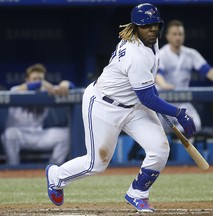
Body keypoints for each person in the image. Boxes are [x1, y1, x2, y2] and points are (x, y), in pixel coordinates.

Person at [45, 3, 196, 213]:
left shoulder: (151, 41)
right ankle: (56, 177)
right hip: (103, 105)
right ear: (135, 27)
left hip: (134, 105)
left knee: (160, 149)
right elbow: (147, 98)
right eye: (146, 26)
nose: (152, 29)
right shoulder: (135, 54)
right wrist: (179, 113)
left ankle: (138, 193)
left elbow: (148, 88)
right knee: (96, 164)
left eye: (155, 25)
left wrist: (164, 104)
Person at [156, 19, 213, 134]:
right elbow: (157, 74)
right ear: (167, 36)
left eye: (180, 34)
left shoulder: (191, 54)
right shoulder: (162, 53)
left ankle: (177, 138)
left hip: (182, 100)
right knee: (158, 133)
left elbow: (207, 70)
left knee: (195, 124)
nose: (178, 37)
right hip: (165, 101)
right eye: (174, 34)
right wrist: (163, 84)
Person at [1, 63, 73, 165]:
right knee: (9, 134)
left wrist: (65, 84)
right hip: (19, 135)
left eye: (40, 78)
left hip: (38, 135)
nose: (38, 81)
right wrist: (42, 83)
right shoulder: (17, 89)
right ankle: (13, 168)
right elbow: (28, 87)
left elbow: (70, 86)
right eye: (34, 78)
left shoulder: (47, 90)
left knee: (66, 135)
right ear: (27, 79)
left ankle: (52, 168)